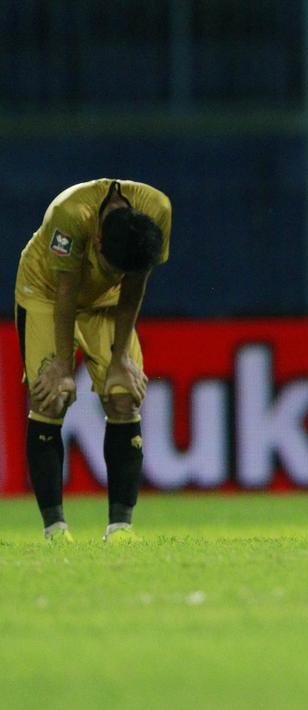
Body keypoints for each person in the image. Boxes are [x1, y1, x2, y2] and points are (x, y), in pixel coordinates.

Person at [14, 179, 170, 542]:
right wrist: (62, 368)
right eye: (109, 266)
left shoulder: (157, 211)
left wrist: (121, 359)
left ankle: (120, 530)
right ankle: (55, 531)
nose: (115, 275)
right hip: (47, 292)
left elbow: (135, 281)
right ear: (97, 241)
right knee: (51, 396)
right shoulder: (69, 214)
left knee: (123, 394)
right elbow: (66, 291)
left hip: (108, 303)